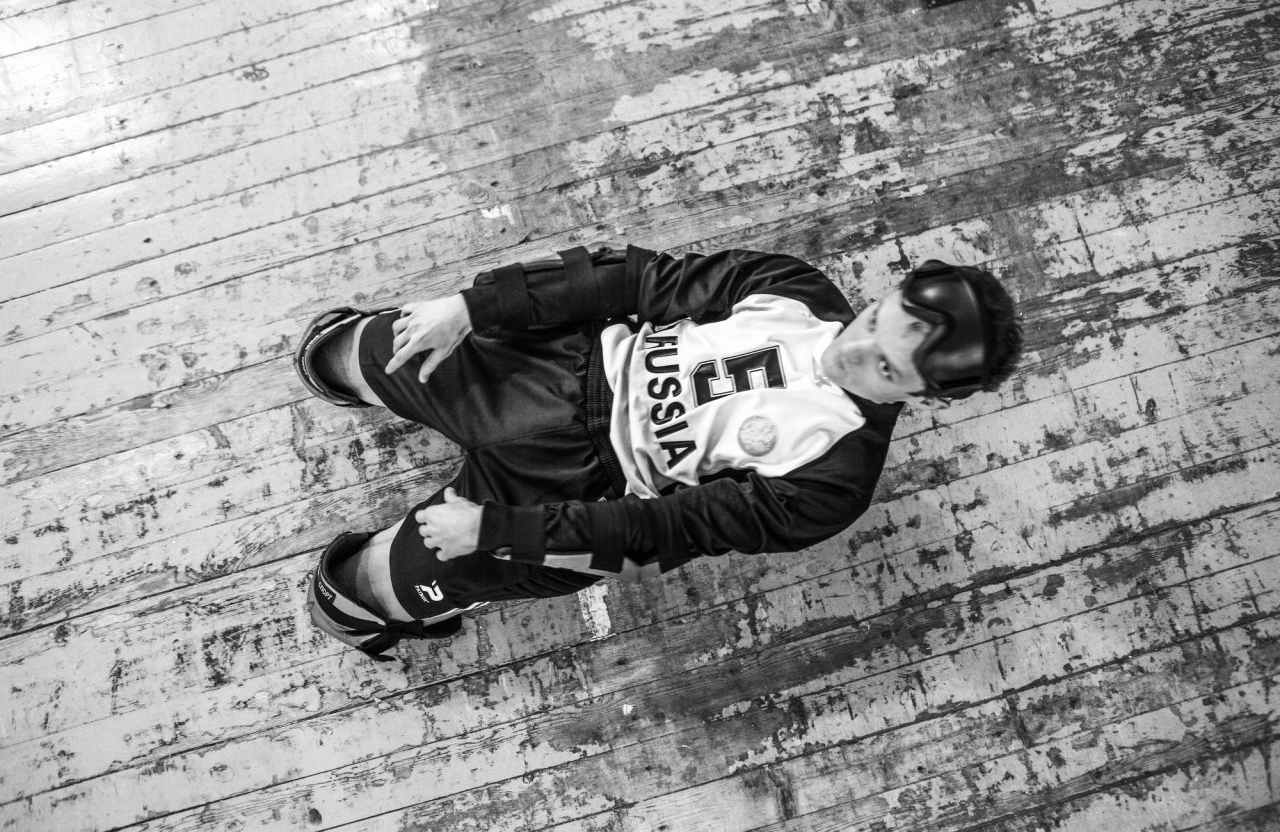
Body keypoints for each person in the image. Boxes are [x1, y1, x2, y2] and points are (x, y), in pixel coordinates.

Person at [298, 244, 1022, 659]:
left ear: (928, 397)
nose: (853, 351)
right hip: (556, 369)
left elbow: (663, 533)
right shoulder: (792, 289)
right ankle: (379, 369)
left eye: (886, 368)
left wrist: (501, 532)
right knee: (339, 353)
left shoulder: (834, 481)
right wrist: (472, 307)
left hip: (581, 491)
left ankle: (423, 590)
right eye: (874, 319)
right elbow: (632, 278)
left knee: (352, 597)